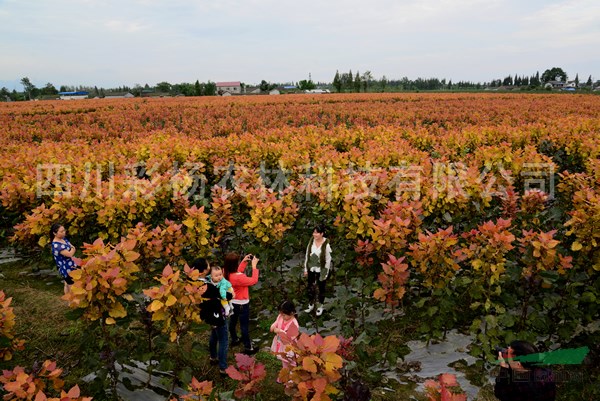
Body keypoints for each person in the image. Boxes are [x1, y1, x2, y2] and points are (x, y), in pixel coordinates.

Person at [190, 258, 230, 375]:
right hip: (216, 314)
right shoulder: (207, 286)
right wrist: (231, 293)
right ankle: (223, 367)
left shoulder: (193, 283)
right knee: (223, 340)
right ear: (203, 271)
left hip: (207, 314)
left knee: (214, 335)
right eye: (207, 265)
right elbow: (225, 295)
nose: (209, 265)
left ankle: (213, 357)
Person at [224, 252, 260, 355]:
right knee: (244, 326)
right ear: (235, 264)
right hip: (242, 304)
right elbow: (254, 280)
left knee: (233, 322)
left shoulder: (226, 273)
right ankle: (248, 347)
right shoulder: (239, 278)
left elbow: (238, 271)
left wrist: (244, 262)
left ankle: (234, 339)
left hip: (232, 302)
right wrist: (254, 266)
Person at [303, 224, 332, 316]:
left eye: (317, 233)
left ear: (322, 234)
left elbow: (328, 260)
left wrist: (325, 272)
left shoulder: (326, 245)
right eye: (314, 232)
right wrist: (305, 269)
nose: (315, 235)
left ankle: (320, 306)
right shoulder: (311, 242)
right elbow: (307, 256)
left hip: (321, 269)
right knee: (310, 286)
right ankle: (311, 304)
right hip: (312, 267)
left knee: (321, 288)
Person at [270, 300, 299, 372]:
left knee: (291, 360)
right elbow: (274, 325)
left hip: (289, 345)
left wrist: (280, 331)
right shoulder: (280, 317)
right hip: (281, 343)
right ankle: (285, 372)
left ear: (292, 313)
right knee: (284, 358)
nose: (281, 316)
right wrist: (273, 327)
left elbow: (291, 337)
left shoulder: (294, 323)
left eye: (284, 315)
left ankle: (292, 375)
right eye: (280, 314)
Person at [50, 223, 79, 293]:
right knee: (71, 286)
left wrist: (72, 248)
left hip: (71, 265)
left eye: (64, 230)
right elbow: (70, 254)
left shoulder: (63, 239)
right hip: (66, 268)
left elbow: (71, 247)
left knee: (67, 284)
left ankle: (69, 301)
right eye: (61, 231)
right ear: (54, 233)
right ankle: (71, 302)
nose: (64, 232)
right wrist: (72, 248)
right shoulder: (56, 245)